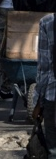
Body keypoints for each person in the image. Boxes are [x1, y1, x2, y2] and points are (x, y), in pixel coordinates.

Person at [32, 13, 56, 157]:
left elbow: (45, 67)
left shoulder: (48, 22)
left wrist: (38, 102)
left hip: (53, 95)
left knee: (53, 150)